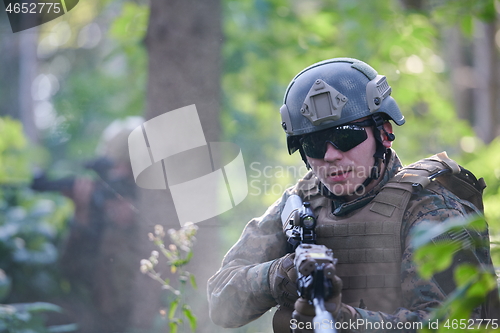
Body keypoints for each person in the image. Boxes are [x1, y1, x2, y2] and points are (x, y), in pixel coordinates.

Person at [207, 58, 499, 332]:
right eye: (315, 144)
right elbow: (220, 302)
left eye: (347, 136)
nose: (332, 155)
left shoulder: (429, 209)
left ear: (384, 133)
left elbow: (457, 325)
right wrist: (279, 276)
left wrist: (348, 321)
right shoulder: (300, 204)